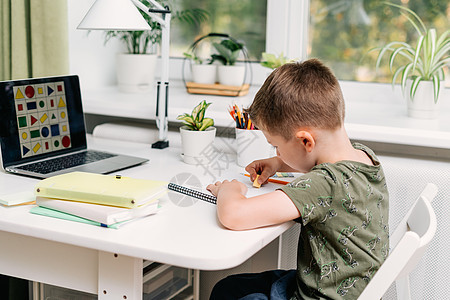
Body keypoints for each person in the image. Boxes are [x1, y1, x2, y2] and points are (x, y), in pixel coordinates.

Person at [207, 59, 389, 299]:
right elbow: (321, 165)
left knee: (231, 294)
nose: (276, 153)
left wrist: (229, 191)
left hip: (315, 295)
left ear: (305, 141)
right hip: (345, 287)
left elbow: (234, 215)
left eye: (276, 146)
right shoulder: (364, 156)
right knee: (228, 288)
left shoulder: (324, 184)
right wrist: (277, 164)